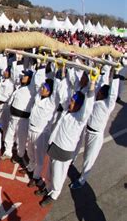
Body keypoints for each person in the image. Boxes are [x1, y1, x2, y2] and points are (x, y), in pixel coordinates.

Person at [37, 70, 97, 207]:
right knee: (50, 171)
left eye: (72, 102)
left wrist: (92, 83)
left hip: (64, 151)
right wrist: (62, 73)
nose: (69, 103)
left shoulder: (79, 118)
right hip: (55, 146)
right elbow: (63, 92)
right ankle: (47, 188)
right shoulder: (66, 111)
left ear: (78, 106)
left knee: (58, 175)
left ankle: (54, 194)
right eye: (71, 100)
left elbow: (88, 106)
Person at [70, 67, 120, 189]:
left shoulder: (107, 105)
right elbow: (101, 81)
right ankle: (70, 162)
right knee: (75, 146)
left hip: (96, 135)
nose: (98, 92)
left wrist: (117, 75)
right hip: (86, 129)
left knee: (88, 158)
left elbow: (113, 94)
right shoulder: (95, 99)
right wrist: (103, 69)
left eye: (100, 92)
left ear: (103, 95)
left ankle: (82, 180)